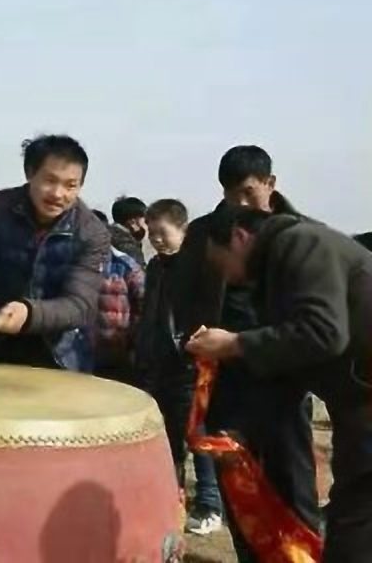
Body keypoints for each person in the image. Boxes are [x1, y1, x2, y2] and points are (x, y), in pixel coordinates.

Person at [187, 205, 372, 562]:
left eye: (220, 260)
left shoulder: (302, 243)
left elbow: (323, 333)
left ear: (240, 237)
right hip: (356, 409)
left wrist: (234, 343)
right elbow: (295, 358)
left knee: (355, 529)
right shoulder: (275, 273)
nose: (222, 274)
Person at [173, 145, 320, 560]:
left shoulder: (302, 233)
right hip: (225, 384)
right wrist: (197, 336)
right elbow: (181, 298)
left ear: (271, 184)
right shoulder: (204, 234)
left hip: (284, 382)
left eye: (248, 191)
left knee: (293, 486)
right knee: (238, 490)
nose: (239, 203)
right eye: (229, 193)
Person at [0, 135, 110, 371]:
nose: (58, 194)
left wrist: (30, 314)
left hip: (58, 359)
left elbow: (79, 304)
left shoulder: (91, 232)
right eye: (50, 180)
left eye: (71, 185)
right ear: (29, 173)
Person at [134, 199, 223, 536]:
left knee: (198, 436)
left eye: (162, 233)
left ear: (182, 230)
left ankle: (210, 504)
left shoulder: (197, 266)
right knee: (168, 439)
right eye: (150, 232)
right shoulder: (156, 267)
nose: (155, 239)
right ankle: (171, 500)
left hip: (189, 364)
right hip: (159, 364)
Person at [93, 241, 145, 385]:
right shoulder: (71, 258)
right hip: (76, 352)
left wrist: (133, 342)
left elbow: (144, 305)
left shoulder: (124, 265)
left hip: (114, 350)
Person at [109, 195, 148, 266]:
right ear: (132, 222)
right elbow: (139, 273)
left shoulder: (103, 236)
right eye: (145, 219)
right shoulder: (127, 246)